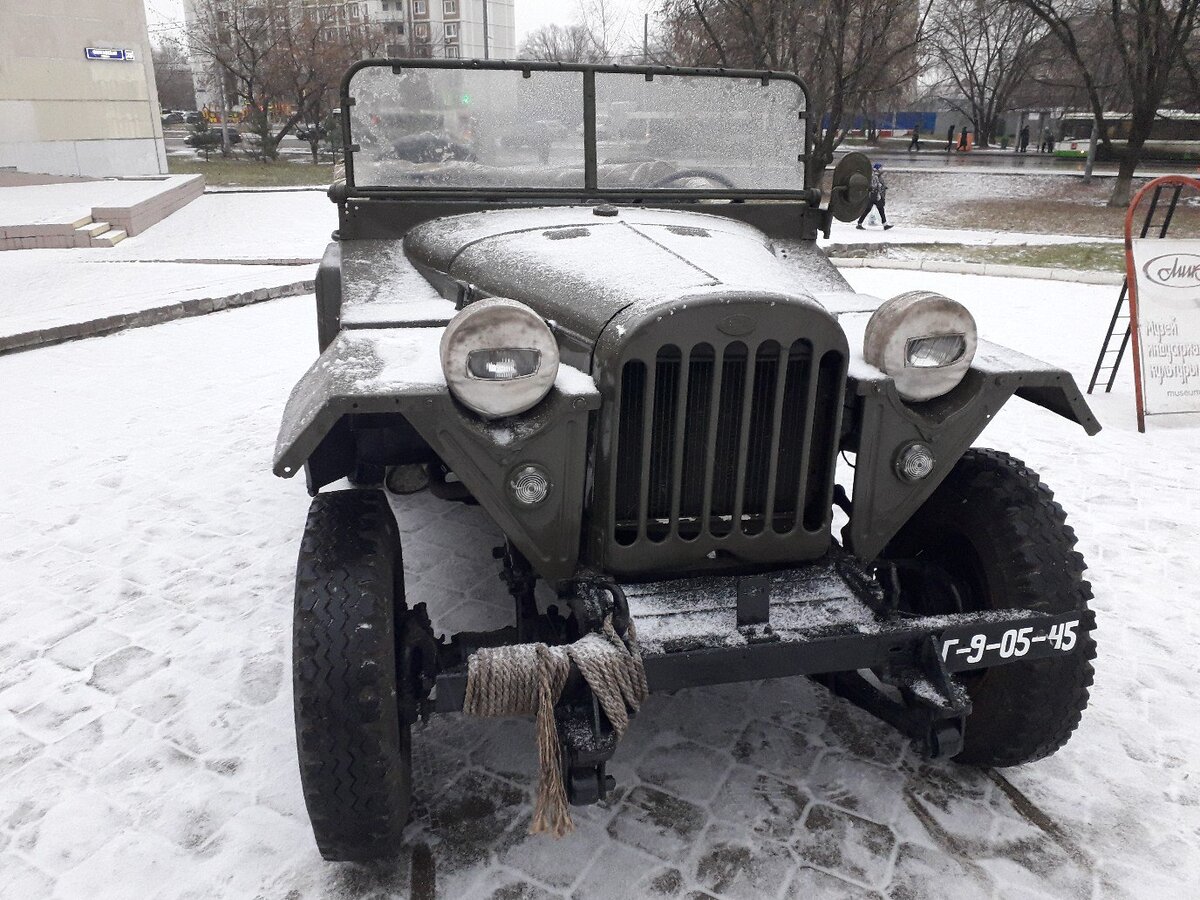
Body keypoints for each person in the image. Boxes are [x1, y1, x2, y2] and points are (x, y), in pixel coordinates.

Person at [856, 161, 893, 230]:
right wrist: (881, 187)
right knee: (878, 209)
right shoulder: (874, 176)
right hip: (874, 196)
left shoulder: (876, 176)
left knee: (874, 210)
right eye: (880, 168)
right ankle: (884, 225)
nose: (882, 169)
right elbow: (874, 185)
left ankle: (859, 223)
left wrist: (883, 187)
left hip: (875, 195)